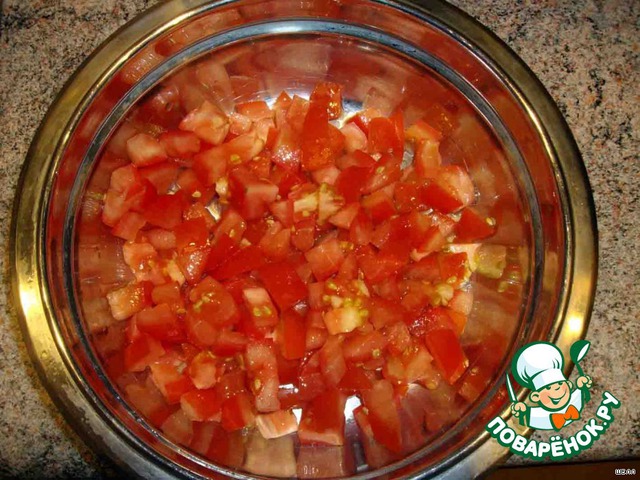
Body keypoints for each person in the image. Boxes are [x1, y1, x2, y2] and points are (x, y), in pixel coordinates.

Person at [510, 342, 593, 431]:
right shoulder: (538, 416)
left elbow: (584, 395)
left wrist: (583, 385)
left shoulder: (575, 400)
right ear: (536, 397)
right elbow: (520, 422)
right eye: (548, 388)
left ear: (568, 384)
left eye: (560, 384)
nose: (556, 390)